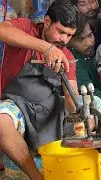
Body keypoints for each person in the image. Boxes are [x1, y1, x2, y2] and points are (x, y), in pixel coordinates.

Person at [0, 0, 79, 179]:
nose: (64, 40)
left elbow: (72, 101)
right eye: (61, 32)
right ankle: (37, 176)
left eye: (69, 35)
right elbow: (1, 30)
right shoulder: (26, 29)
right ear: (47, 22)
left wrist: (78, 108)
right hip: (17, 103)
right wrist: (46, 48)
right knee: (1, 120)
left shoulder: (66, 55)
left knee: (92, 106)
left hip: (49, 108)